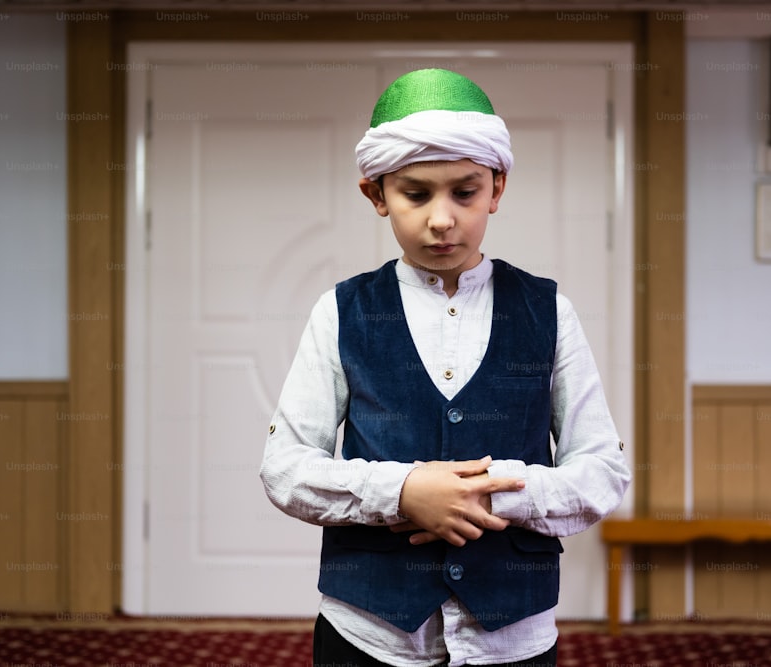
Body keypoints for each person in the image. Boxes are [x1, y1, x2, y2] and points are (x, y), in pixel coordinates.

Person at [260, 68, 631, 667]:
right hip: (370, 637)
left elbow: (604, 472)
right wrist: (402, 492)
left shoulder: (549, 311)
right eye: (415, 193)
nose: (441, 218)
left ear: (497, 188)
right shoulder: (341, 311)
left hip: (513, 640)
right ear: (376, 195)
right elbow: (283, 469)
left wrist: (497, 499)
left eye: (464, 192)